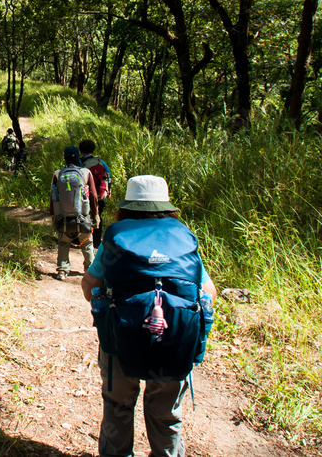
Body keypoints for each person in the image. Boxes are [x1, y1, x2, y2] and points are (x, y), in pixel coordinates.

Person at [81, 175, 217, 457]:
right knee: (166, 413)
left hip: (121, 339)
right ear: (166, 205)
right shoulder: (182, 236)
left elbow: (90, 285)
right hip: (175, 339)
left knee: (118, 406)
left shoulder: (117, 236)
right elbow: (209, 292)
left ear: (127, 205)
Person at [50, 145, 99, 281]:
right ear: (79, 157)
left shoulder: (58, 173)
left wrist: (54, 216)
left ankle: (62, 270)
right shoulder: (86, 173)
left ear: (64, 158)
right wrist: (95, 215)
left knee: (64, 243)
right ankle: (90, 271)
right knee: (87, 243)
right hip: (83, 216)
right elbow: (93, 197)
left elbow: (53, 197)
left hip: (63, 217)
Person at [79, 139, 113, 249]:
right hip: (100, 195)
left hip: (86, 196)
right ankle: (97, 242)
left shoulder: (80, 163)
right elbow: (108, 176)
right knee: (99, 216)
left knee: (84, 216)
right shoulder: (101, 162)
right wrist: (108, 190)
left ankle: (83, 240)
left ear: (81, 150)